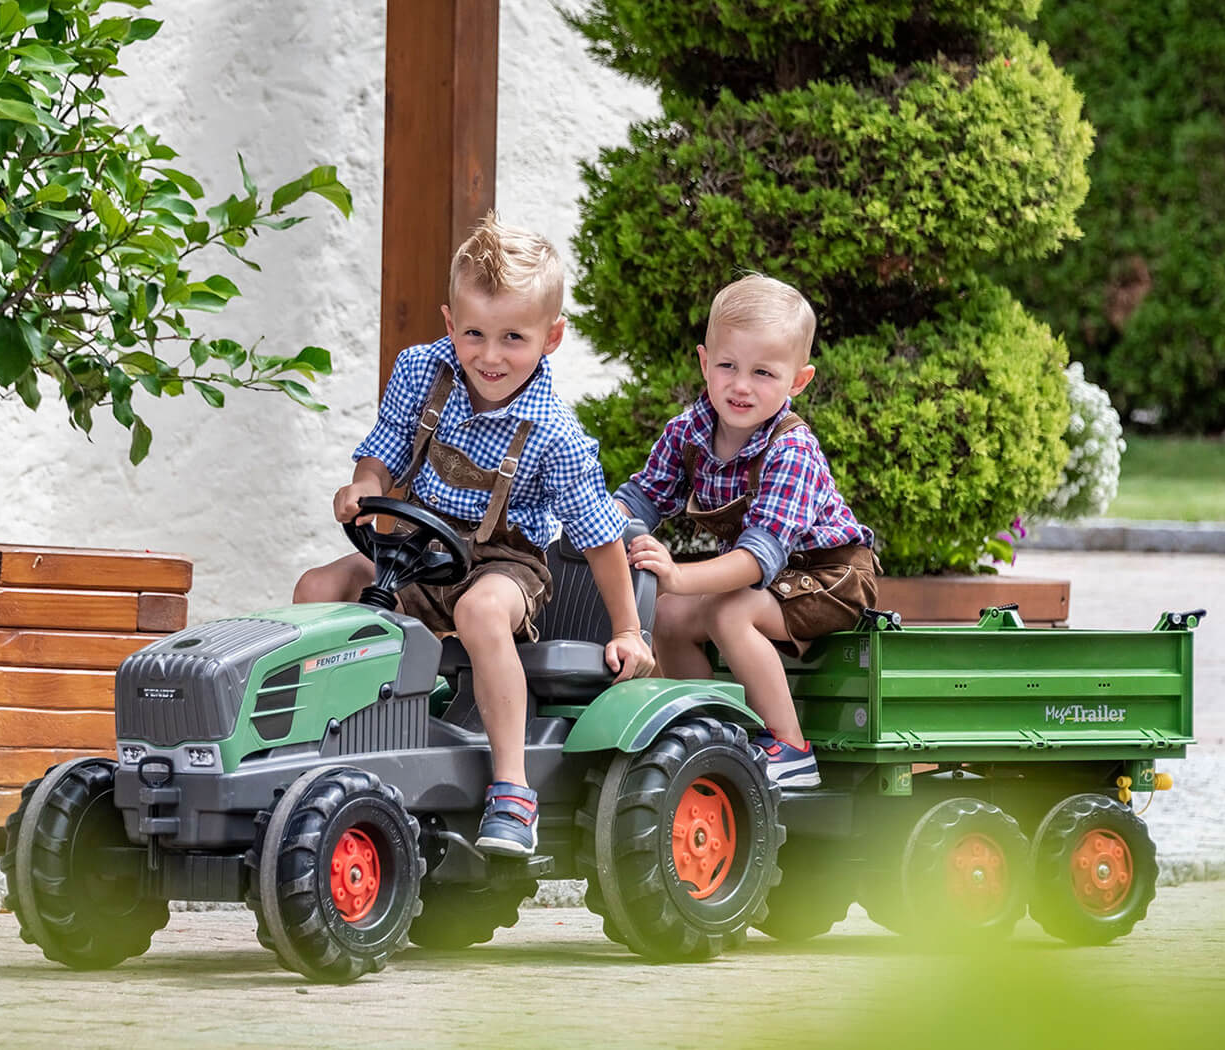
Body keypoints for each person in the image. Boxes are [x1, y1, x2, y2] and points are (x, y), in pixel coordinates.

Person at [294, 212, 654, 855]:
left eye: (513, 337)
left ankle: (512, 789)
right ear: (448, 323)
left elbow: (600, 537)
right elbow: (383, 454)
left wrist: (628, 628)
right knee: (320, 586)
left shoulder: (555, 432)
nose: (490, 356)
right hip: (417, 543)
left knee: (480, 609)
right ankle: (314, 751)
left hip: (508, 562)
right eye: (474, 334)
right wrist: (361, 485)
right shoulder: (421, 372)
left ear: (552, 337)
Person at [613, 274, 878, 789]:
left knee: (728, 609)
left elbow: (758, 559)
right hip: (763, 580)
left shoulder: (791, 450)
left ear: (797, 381)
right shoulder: (687, 433)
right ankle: (704, 731)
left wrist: (676, 574)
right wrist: (605, 527)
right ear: (704, 362)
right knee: (665, 613)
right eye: (728, 366)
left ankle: (790, 746)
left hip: (829, 577)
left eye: (763, 372)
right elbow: (641, 498)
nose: (740, 385)